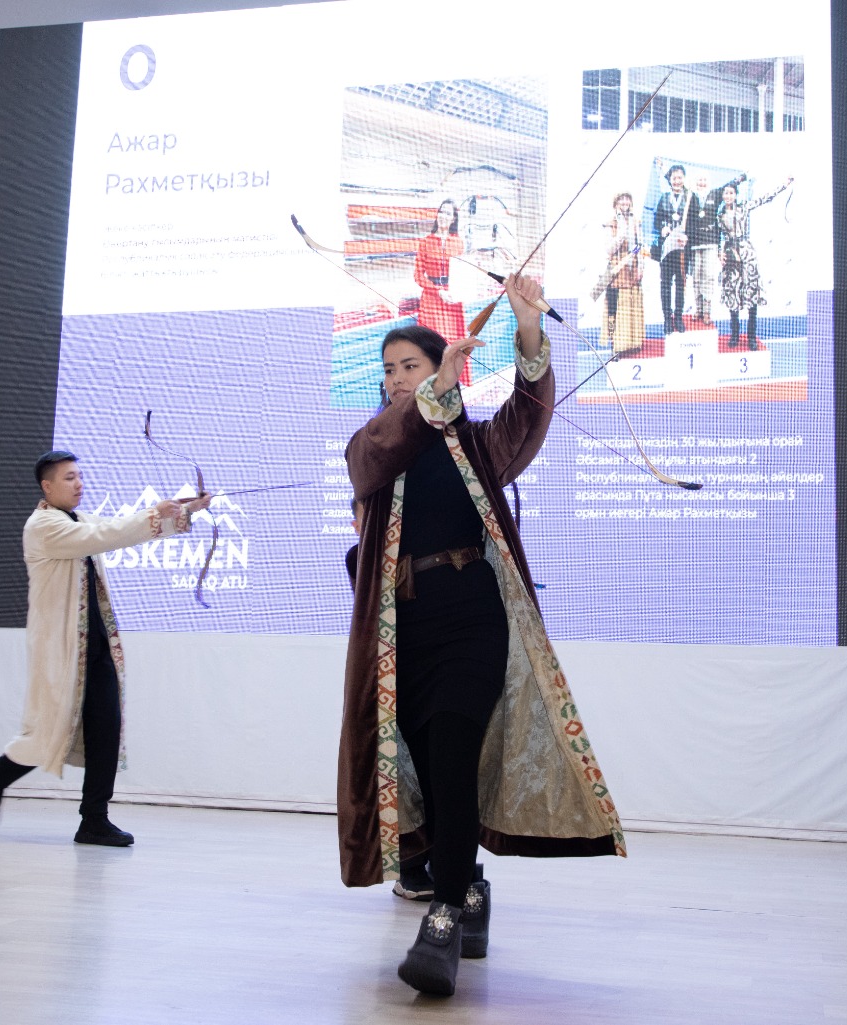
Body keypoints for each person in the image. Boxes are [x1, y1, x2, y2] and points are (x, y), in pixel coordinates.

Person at [340, 274, 626, 997]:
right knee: (435, 773)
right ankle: (468, 889)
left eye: (409, 365)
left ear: (444, 366)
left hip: (472, 617)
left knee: (454, 749)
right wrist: (431, 394)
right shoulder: (373, 445)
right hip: (404, 632)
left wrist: (527, 329)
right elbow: (378, 453)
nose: (396, 378)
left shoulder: (473, 444)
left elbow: (526, 419)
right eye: (388, 369)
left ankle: (441, 920)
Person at [0, 450, 210, 846]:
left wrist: (185, 509)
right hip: (61, 648)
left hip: (96, 645)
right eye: (69, 478)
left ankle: (94, 820)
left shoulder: (76, 519)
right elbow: (107, 535)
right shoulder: (43, 526)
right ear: (47, 487)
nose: (79, 483)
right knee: (50, 732)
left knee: (106, 730)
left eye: (79, 476)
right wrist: (156, 512)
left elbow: (116, 528)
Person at [346, 494, 435, 901]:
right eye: (368, 517)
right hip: (389, 682)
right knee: (400, 777)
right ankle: (411, 867)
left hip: (427, 671)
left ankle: (443, 861)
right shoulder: (358, 558)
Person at [717, 175, 793, 350]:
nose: (728, 196)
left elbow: (765, 198)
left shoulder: (744, 207)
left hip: (746, 254)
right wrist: (720, 252)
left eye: (731, 193)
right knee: (732, 293)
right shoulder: (719, 215)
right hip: (730, 255)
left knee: (751, 294)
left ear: (736, 195)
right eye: (725, 193)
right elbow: (719, 237)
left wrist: (784, 184)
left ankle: (751, 337)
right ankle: (735, 335)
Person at [413, 199, 469, 383]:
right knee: (431, 344)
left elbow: (464, 272)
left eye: (448, 213)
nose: (444, 216)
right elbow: (418, 276)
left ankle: (452, 383)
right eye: (441, 211)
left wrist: (461, 291)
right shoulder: (425, 242)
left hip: (452, 298)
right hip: (432, 299)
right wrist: (438, 291)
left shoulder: (458, 242)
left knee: (453, 343)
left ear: (453, 219)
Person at [651, 164, 696, 336]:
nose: (677, 181)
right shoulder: (664, 198)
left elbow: (695, 222)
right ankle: (667, 319)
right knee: (665, 284)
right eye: (674, 178)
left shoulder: (691, 197)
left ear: (684, 178)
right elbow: (657, 220)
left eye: (680, 177)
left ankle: (678, 317)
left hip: (682, 248)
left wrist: (688, 236)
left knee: (680, 283)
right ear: (669, 180)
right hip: (667, 248)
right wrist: (662, 227)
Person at [602, 191, 645, 354]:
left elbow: (640, 246)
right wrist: (621, 235)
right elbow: (608, 249)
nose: (625, 202)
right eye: (621, 200)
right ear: (616, 203)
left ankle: (633, 343)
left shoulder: (636, 221)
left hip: (633, 270)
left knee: (632, 306)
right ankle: (615, 344)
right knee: (614, 308)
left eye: (627, 199)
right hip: (616, 271)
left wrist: (640, 266)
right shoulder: (610, 223)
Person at [688, 172, 724, 325]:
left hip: (710, 243)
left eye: (704, 180)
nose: (701, 183)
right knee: (696, 277)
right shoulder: (690, 196)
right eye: (699, 180)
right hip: (695, 244)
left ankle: (707, 311)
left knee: (708, 276)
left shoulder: (715, 194)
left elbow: (729, 186)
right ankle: (698, 309)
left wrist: (743, 176)